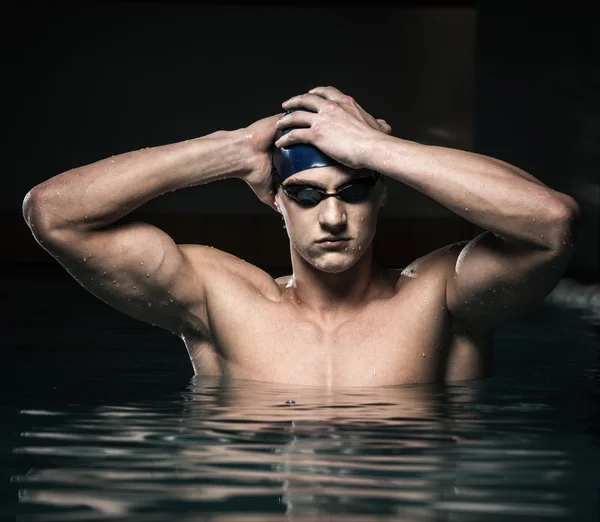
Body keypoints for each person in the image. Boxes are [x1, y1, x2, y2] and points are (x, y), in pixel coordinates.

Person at [23, 86, 580, 387]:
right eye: (308, 195)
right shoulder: (222, 301)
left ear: (382, 194)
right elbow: (54, 214)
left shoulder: (439, 298)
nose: (333, 218)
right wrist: (234, 150)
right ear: (276, 200)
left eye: (356, 190)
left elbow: (550, 222)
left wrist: (379, 150)